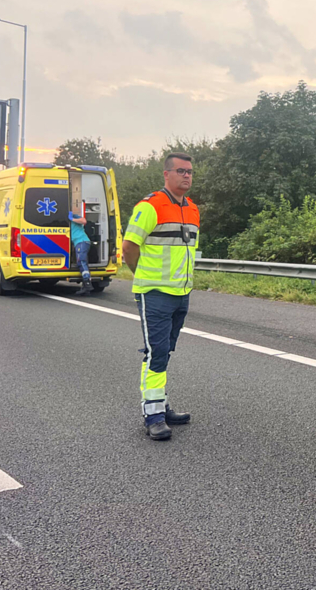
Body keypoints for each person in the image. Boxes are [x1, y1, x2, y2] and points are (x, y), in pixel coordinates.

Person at [121, 152, 200, 441]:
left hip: (181, 292)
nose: (187, 176)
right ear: (166, 174)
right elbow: (129, 246)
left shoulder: (192, 209)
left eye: (190, 171)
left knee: (164, 351)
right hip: (154, 292)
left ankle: (161, 405)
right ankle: (153, 415)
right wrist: (141, 276)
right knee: (155, 353)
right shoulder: (150, 206)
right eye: (181, 171)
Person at [69, 207, 93, 296]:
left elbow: (84, 221)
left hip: (82, 241)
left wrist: (72, 218)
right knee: (82, 262)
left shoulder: (73, 216)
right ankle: (86, 285)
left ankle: (87, 284)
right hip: (78, 242)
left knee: (81, 261)